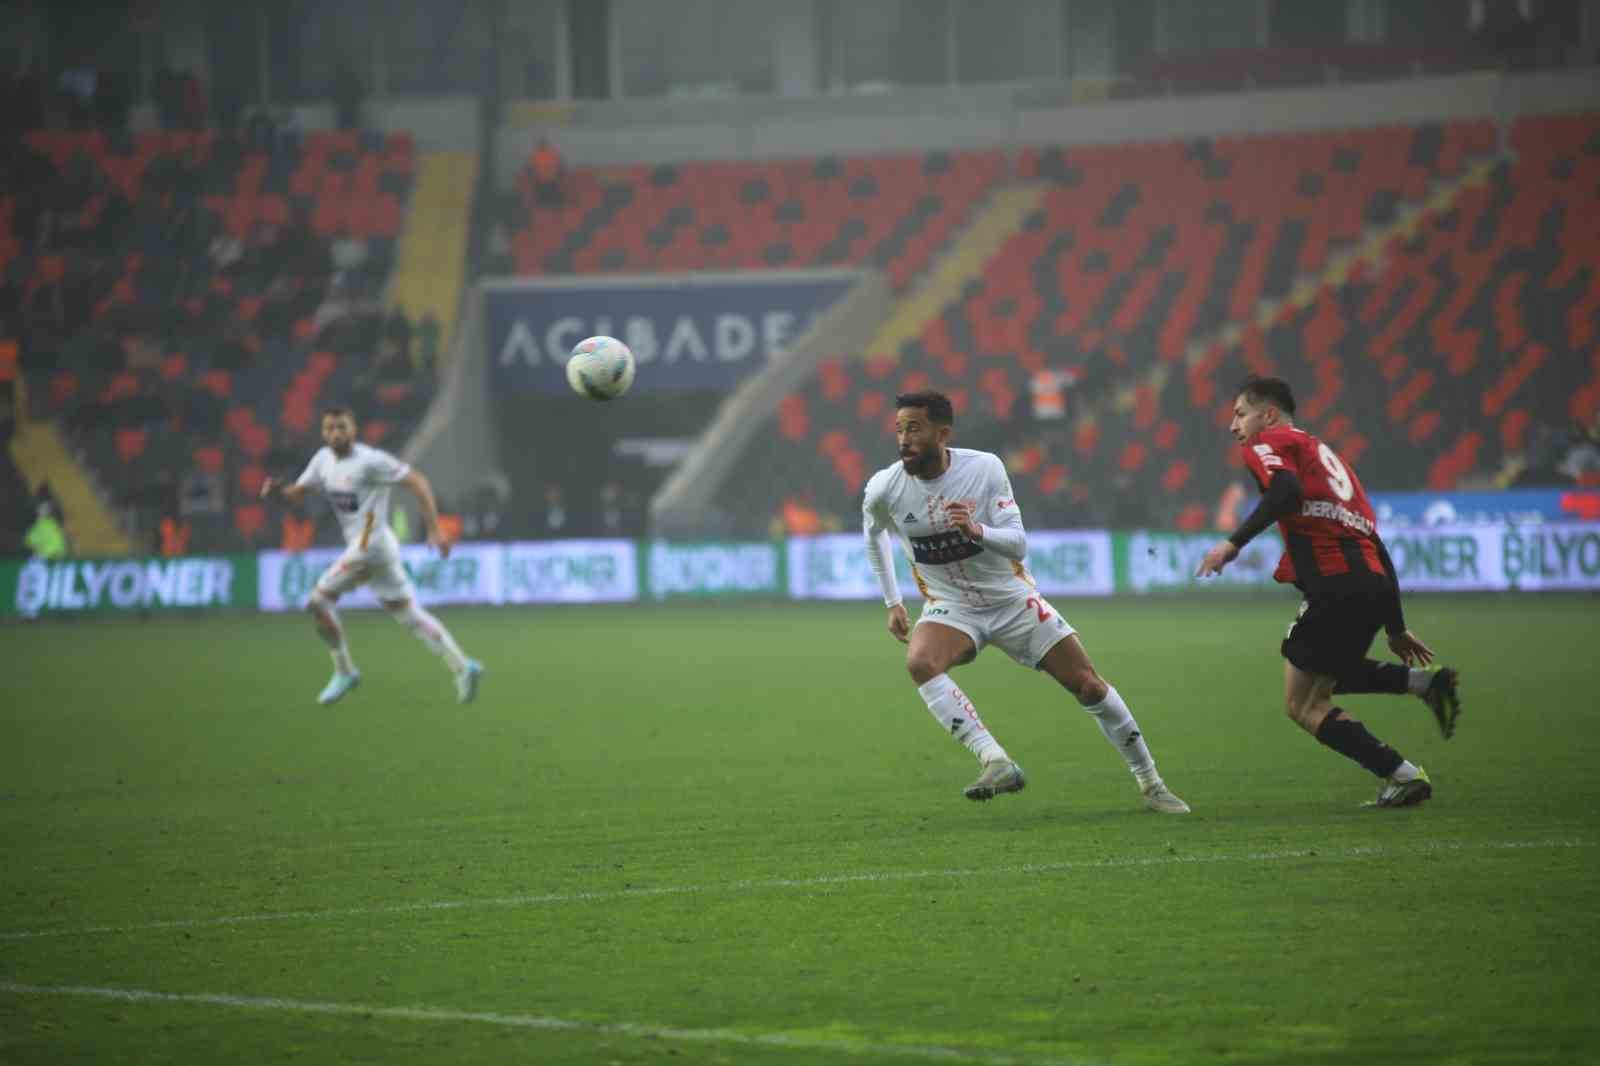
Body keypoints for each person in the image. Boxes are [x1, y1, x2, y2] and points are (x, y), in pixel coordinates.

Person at [863, 390, 1190, 811]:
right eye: (898, 429)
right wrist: (892, 601)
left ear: (943, 433)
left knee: (1088, 684)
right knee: (919, 662)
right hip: (952, 606)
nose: (903, 438)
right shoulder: (885, 487)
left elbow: (1018, 545)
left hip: (1012, 601)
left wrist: (978, 532)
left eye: (914, 428)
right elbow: (873, 534)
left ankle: (1151, 783)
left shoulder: (984, 469)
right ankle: (995, 760)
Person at [1196, 377, 1461, 808]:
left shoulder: (1269, 443)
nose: (1233, 426)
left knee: (1302, 702)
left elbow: (1285, 491)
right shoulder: (1331, 463)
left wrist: (1233, 543)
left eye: (1240, 414)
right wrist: (1396, 626)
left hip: (1335, 585)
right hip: (1369, 583)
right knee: (1324, 674)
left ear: (1269, 415)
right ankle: (1423, 685)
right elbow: (1374, 542)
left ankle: (1402, 773)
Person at [260, 406, 483, 705]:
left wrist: (434, 529)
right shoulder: (322, 461)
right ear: (323, 432)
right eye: (330, 428)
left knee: (318, 601)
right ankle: (462, 666)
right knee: (409, 615)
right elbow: (296, 495)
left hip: (370, 546)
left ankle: (345, 670)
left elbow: (418, 482)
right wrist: (278, 493)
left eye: (342, 427)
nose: (336, 433)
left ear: (354, 429)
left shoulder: (371, 461)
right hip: (379, 549)